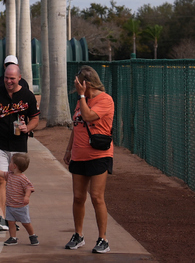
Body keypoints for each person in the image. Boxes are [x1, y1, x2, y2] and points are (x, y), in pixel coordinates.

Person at [62, 65, 114, 254]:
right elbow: (78, 125)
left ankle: (103, 239)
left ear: (86, 84)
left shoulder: (105, 100)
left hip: (99, 154)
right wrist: (69, 149)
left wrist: (82, 97)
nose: (75, 86)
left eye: (78, 83)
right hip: (79, 155)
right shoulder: (81, 101)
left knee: (97, 197)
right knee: (78, 197)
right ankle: (78, 235)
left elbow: (88, 116)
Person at [0, 61, 39, 230]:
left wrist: (27, 127)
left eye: (13, 79)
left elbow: (35, 118)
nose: (9, 81)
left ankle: (11, 217)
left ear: (19, 78)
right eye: (7, 78)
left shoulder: (28, 96)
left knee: (15, 181)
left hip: (19, 145)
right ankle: (1, 218)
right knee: (0, 179)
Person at [0, 152, 38, 246]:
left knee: (26, 223)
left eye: (10, 163)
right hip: (10, 206)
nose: (8, 164)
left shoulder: (23, 178)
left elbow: (29, 188)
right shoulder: (9, 175)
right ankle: (13, 238)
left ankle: (32, 235)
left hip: (21, 206)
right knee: (11, 222)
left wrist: (26, 197)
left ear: (14, 166)